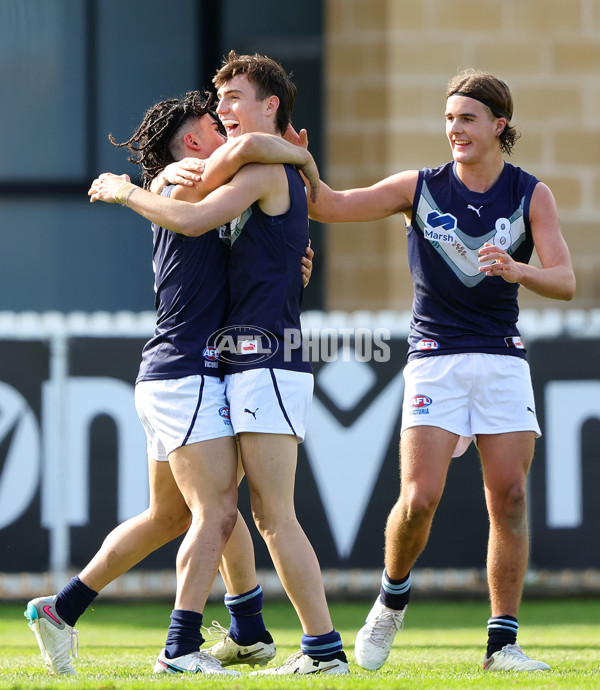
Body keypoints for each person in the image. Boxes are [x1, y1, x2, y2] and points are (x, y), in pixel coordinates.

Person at [25, 89, 317, 676]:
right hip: (187, 371)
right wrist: (129, 188)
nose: (225, 127)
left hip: (175, 371)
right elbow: (204, 203)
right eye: (215, 121)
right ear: (191, 141)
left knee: (171, 516)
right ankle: (181, 648)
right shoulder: (184, 182)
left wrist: (287, 262)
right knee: (216, 510)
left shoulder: (204, 183)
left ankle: (62, 609)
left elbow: (239, 262)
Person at [300, 68, 576, 673]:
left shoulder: (532, 194)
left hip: (502, 357)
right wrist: (303, 164)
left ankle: (502, 643)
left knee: (511, 497)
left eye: (468, 118)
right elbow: (329, 206)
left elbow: (565, 280)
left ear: (499, 126)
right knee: (420, 498)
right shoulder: (419, 188)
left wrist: (517, 270)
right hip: (435, 359)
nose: (455, 129)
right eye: (449, 118)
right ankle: (392, 597)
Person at [88, 51, 349, 676]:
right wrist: (298, 162)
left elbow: (196, 215)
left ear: (270, 107)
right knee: (237, 510)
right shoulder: (254, 164)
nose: (221, 109)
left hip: (267, 359)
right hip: (244, 359)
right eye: (218, 98)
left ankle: (320, 650)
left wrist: (128, 189)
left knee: (271, 515)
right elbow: (223, 218)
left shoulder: (256, 164)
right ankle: (255, 632)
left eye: (233, 98)